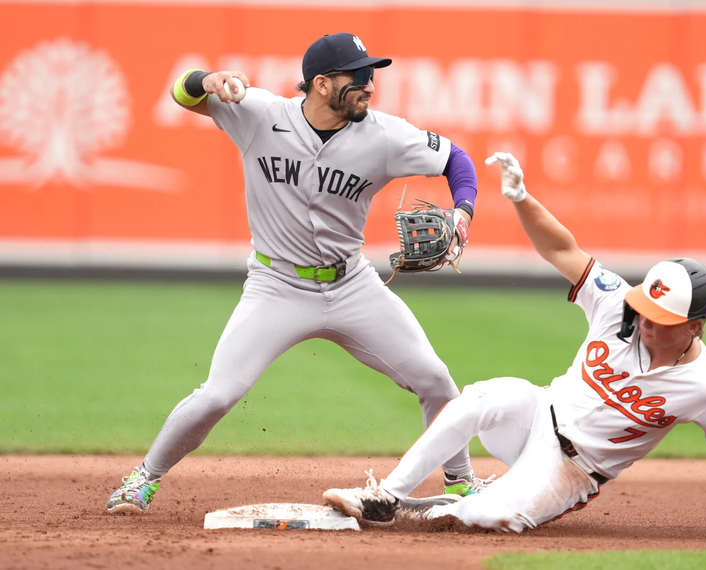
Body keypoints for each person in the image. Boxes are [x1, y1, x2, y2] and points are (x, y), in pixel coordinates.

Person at [322, 152, 706, 540]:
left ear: (696, 328)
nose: (646, 321)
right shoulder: (619, 304)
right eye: (646, 307)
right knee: (481, 397)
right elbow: (563, 248)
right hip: (536, 415)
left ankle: (453, 506)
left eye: (663, 319)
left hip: (572, 470)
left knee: (488, 517)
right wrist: (521, 198)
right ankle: (386, 498)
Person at [107, 33, 483, 514]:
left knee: (436, 379)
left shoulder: (385, 135)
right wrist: (207, 78)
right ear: (322, 84)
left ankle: (462, 483)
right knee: (218, 395)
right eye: (359, 76)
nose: (370, 85)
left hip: (352, 286)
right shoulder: (260, 114)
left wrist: (463, 212)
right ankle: (142, 479)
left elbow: (456, 160)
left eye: (372, 75)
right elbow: (183, 92)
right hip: (276, 286)